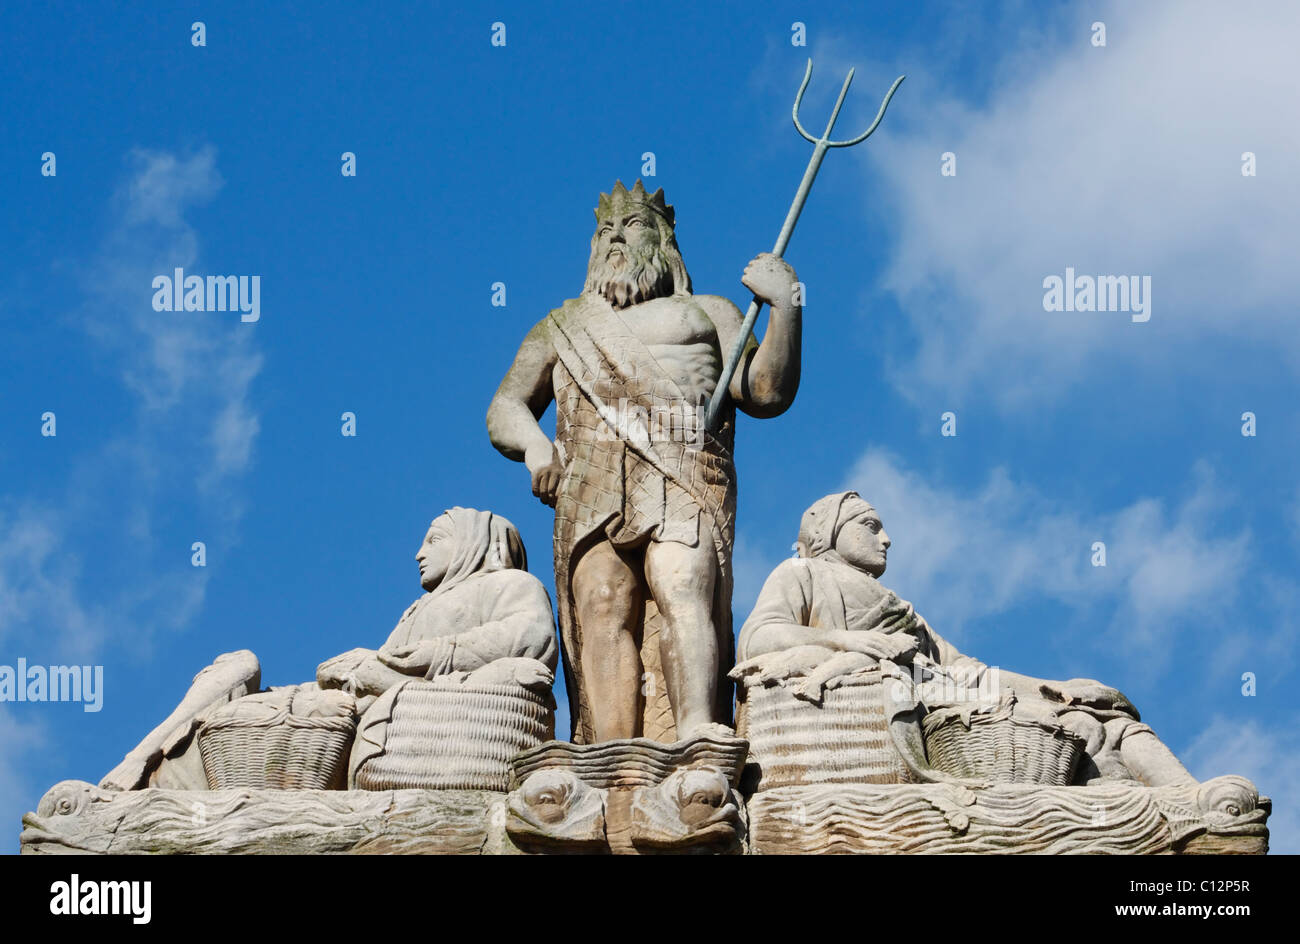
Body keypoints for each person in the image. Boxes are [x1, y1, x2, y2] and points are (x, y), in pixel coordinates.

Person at [487, 180, 802, 744]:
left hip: (683, 467)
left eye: (632, 227)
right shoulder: (564, 327)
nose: (616, 239)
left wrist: (784, 307)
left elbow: (765, 393)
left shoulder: (709, 312)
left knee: (683, 589)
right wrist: (540, 450)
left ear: (663, 243)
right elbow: (506, 406)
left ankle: (698, 737)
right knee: (603, 605)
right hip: (591, 476)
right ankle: (612, 755)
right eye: (605, 231)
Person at [734, 491, 1197, 787]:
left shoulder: (903, 608)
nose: (888, 539)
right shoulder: (803, 572)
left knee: (1105, 717)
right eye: (871, 527)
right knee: (1082, 732)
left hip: (946, 694)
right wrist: (846, 642)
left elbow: (968, 673)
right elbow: (759, 638)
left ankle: (1190, 804)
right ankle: (1123, 809)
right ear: (830, 533)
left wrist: (1058, 688)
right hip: (913, 708)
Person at [317, 507, 557, 713]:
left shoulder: (510, 582)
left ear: (474, 541)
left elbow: (533, 636)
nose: (419, 555)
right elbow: (389, 663)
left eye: (434, 540)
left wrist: (438, 653)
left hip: (467, 718)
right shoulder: (416, 610)